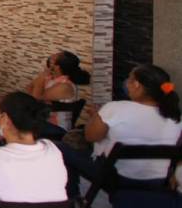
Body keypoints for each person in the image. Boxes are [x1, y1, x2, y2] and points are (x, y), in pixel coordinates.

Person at [58, 64, 181, 198]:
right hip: (157, 181)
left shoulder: (115, 108)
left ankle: (72, 197)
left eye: (129, 79)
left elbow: (90, 136)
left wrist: (95, 116)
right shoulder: (176, 117)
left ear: (137, 85)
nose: (126, 83)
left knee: (59, 148)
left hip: (115, 178)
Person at [28, 51, 91, 134]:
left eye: (53, 58)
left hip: (56, 127)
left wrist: (42, 76)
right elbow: (29, 89)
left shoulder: (65, 86)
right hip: (43, 119)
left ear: (57, 67)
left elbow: (35, 98)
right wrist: (42, 78)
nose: (50, 57)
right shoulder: (51, 78)